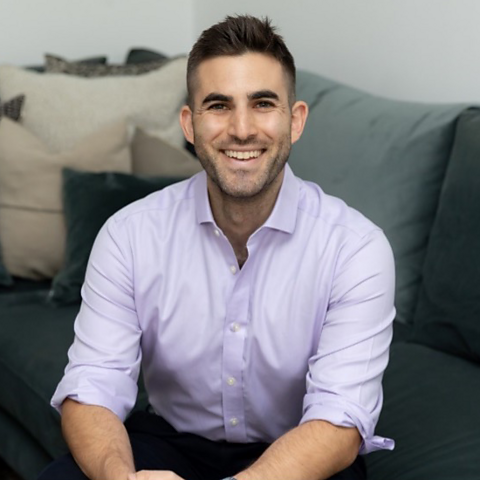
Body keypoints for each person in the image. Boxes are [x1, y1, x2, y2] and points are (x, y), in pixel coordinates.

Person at [39, 14, 395, 480]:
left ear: (296, 120)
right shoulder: (129, 234)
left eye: (263, 103)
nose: (242, 129)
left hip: (300, 452)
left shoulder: (356, 249)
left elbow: (339, 421)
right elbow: (91, 386)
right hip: (169, 441)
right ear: (190, 124)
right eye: (219, 105)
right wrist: (119, 477)